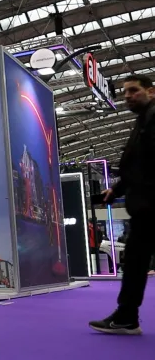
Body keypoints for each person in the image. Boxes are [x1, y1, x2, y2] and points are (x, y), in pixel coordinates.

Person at [89, 74, 155, 335]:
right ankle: (126, 316)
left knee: (136, 264)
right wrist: (116, 189)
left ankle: (127, 316)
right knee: (135, 263)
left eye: (134, 90)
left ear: (151, 91)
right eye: (125, 91)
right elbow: (137, 165)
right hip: (145, 207)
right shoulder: (143, 121)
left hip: (150, 206)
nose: (128, 96)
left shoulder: (152, 120)